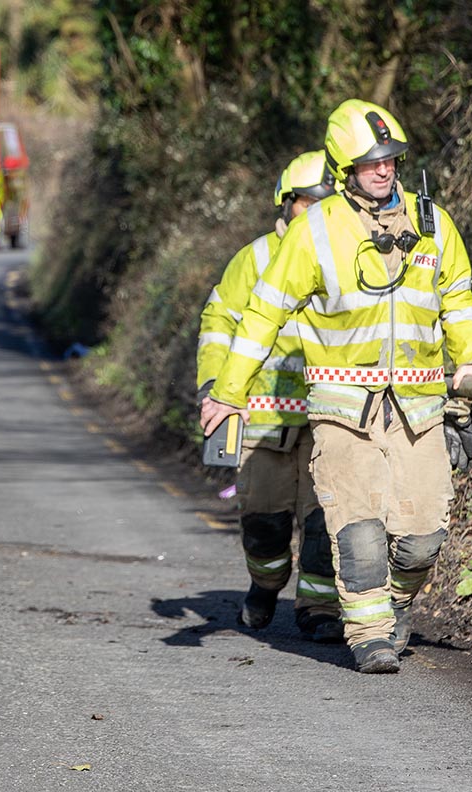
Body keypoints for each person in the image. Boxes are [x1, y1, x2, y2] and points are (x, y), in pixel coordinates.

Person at [200, 99, 472, 674]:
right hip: (341, 411)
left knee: (422, 539)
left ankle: (396, 605)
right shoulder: (314, 232)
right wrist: (227, 392)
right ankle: (369, 637)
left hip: (418, 408)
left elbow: (458, 302)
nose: (383, 169)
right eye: (368, 161)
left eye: (390, 158)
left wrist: (471, 381)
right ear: (343, 169)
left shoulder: (433, 223)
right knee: (356, 534)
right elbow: (259, 317)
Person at [197, 151, 343, 642]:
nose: (319, 212)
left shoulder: (351, 257)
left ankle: (319, 610)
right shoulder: (256, 258)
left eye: (329, 202)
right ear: (287, 202)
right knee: (265, 523)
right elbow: (219, 322)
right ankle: (264, 586)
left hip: (331, 417)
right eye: (310, 202)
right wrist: (215, 387)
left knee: (324, 523)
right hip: (265, 419)